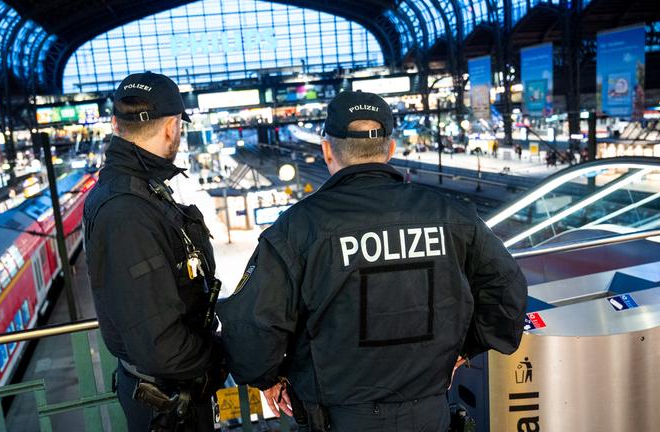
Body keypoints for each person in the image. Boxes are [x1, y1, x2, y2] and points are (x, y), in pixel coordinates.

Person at [218, 91, 528, 431]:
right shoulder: (452, 215)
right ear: (390, 149)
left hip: (338, 418)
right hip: (429, 414)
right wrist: (467, 350)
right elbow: (507, 287)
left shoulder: (297, 228)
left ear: (326, 151)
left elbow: (253, 328)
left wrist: (268, 379)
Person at [83, 72, 226, 432]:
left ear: (116, 124)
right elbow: (161, 346)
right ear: (172, 127)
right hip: (167, 407)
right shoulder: (128, 212)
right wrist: (223, 357)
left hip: (171, 397)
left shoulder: (135, 192)